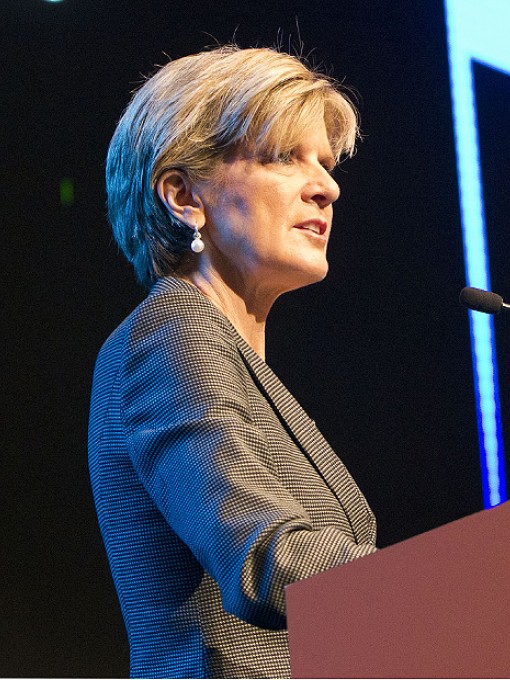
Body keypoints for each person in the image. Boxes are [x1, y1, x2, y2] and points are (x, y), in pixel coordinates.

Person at [88, 46, 377, 678]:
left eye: (325, 164)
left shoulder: (227, 352)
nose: (327, 187)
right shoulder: (172, 330)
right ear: (184, 196)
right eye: (284, 157)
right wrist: (453, 588)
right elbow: (265, 553)